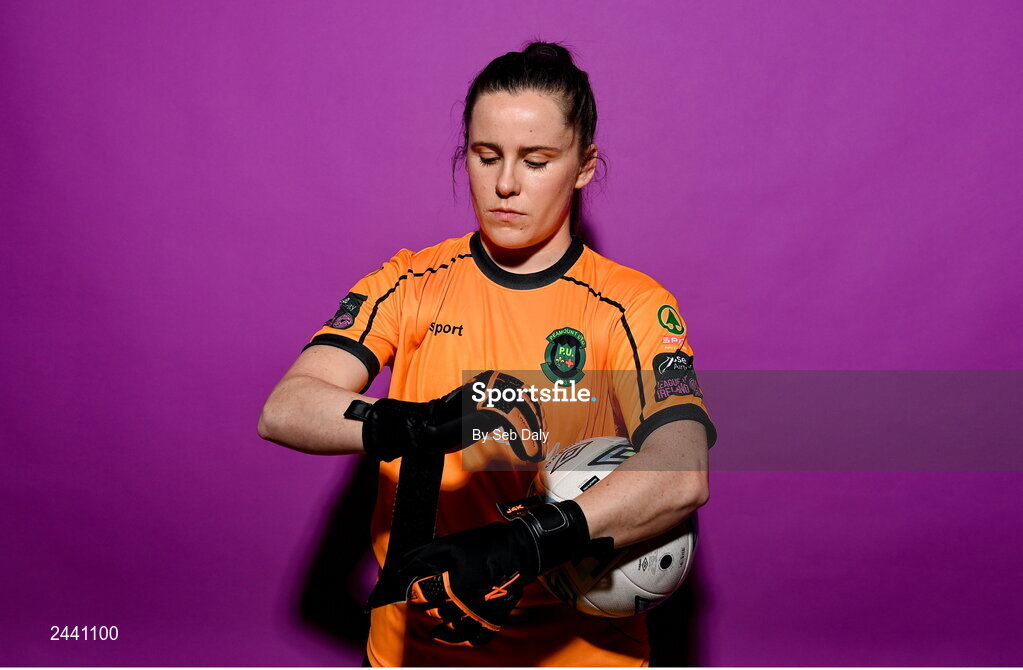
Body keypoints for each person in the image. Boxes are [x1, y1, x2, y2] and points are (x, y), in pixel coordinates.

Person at [258, 41, 716, 667]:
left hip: (580, 651)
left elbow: (682, 469)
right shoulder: (412, 282)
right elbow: (286, 407)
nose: (505, 184)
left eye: (536, 160)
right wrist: (407, 423)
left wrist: (525, 543)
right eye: (486, 155)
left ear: (583, 166)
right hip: (418, 647)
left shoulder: (631, 306)